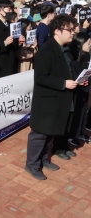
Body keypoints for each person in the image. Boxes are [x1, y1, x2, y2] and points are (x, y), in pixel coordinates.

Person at [25, 14, 82, 181]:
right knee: (40, 134)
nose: (72, 33)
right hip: (47, 101)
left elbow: (68, 71)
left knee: (51, 133)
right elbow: (40, 77)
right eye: (69, 30)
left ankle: (43, 159)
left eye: (73, 29)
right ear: (57, 31)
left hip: (60, 100)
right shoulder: (46, 50)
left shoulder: (66, 49)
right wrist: (64, 84)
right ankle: (32, 164)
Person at [0, 0, 24, 79]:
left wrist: (19, 42)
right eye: (8, 9)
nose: (11, 12)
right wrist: (4, 43)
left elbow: (15, 46)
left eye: (11, 9)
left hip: (12, 63)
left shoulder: (11, 25)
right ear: (0, 10)